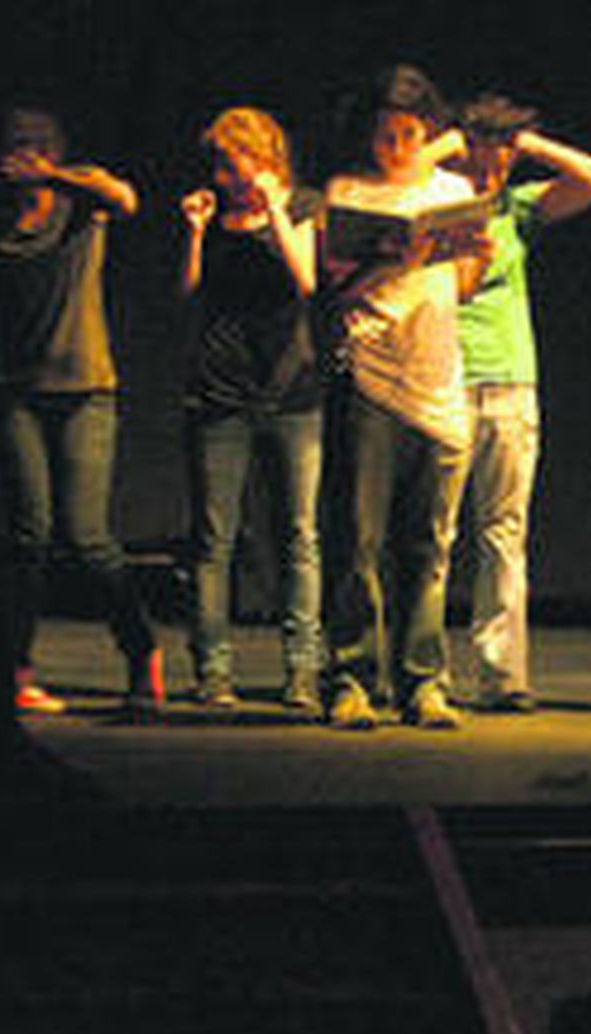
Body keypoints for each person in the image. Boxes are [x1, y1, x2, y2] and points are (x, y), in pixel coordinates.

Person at [318, 63, 488, 731]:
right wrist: (406, 254)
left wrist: (470, 242)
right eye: (385, 135)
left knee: (429, 544)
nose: (395, 147)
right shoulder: (349, 190)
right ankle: (351, 678)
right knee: (358, 541)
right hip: (370, 376)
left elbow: (468, 283)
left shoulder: (451, 186)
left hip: (438, 379)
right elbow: (339, 288)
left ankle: (423, 681)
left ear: (427, 132)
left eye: (408, 134)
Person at [0, 106, 163, 718]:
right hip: (17, 391)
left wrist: (55, 174)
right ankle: (17, 668)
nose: (26, 154)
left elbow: (127, 199)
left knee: (88, 537)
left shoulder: (79, 201)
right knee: (27, 536)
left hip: (86, 388)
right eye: (17, 146)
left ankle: (141, 653)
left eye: (38, 145)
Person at [452, 94, 591, 714]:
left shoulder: (518, 208)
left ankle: (502, 677)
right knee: (433, 536)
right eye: (481, 154)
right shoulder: (435, 204)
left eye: (501, 158)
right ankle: (422, 675)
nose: (490, 169)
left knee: (503, 535)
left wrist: (525, 146)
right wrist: (461, 146)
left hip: (512, 382)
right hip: (445, 379)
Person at [178, 106, 325, 718]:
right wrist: (191, 232)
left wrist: (275, 215)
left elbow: (306, 281)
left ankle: (302, 673)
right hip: (221, 392)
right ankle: (213, 671)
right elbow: (188, 293)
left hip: (292, 392)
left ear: (263, 157)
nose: (224, 175)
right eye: (218, 165)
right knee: (215, 540)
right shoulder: (211, 216)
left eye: (232, 162)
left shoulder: (303, 205)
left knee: (300, 535)